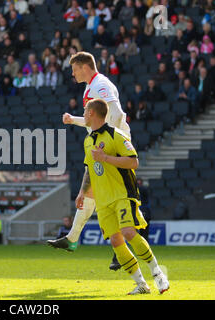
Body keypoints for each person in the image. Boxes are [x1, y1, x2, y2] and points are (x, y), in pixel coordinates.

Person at [47, 52, 133, 271]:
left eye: (74, 69)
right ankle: (74, 238)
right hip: (105, 146)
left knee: (111, 195)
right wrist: (73, 120)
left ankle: (116, 249)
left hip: (113, 147)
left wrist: (108, 142)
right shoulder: (90, 87)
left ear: (85, 67)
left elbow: (116, 113)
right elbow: (93, 121)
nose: (72, 73)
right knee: (93, 193)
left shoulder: (100, 84)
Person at [80, 98, 169, 294]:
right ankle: (141, 285)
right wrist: (82, 193)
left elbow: (133, 162)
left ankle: (158, 274)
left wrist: (105, 158)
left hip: (122, 194)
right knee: (116, 241)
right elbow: (89, 170)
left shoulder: (116, 135)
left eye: (85, 111)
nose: (83, 114)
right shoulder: (88, 140)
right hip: (103, 201)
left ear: (93, 113)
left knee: (128, 232)